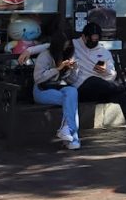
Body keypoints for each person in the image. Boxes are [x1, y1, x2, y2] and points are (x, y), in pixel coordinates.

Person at [69, 22, 126, 145]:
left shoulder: (104, 52)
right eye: (91, 40)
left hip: (103, 88)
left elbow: (112, 75)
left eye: (96, 40)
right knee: (93, 80)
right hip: (82, 89)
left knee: (122, 95)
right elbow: (48, 46)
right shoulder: (74, 45)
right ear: (84, 37)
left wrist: (105, 71)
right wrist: (30, 50)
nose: (93, 43)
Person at [19, 18, 81, 149]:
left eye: (69, 45)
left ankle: (67, 132)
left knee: (72, 92)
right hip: (42, 90)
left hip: (59, 88)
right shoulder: (46, 55)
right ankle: (72, 138)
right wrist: (56, 69)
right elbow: (38, 79)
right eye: (65, 45)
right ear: (59, 44)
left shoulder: (69, 55)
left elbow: (73, 81)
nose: (67, 47)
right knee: (70, 100)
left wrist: (73, 69)